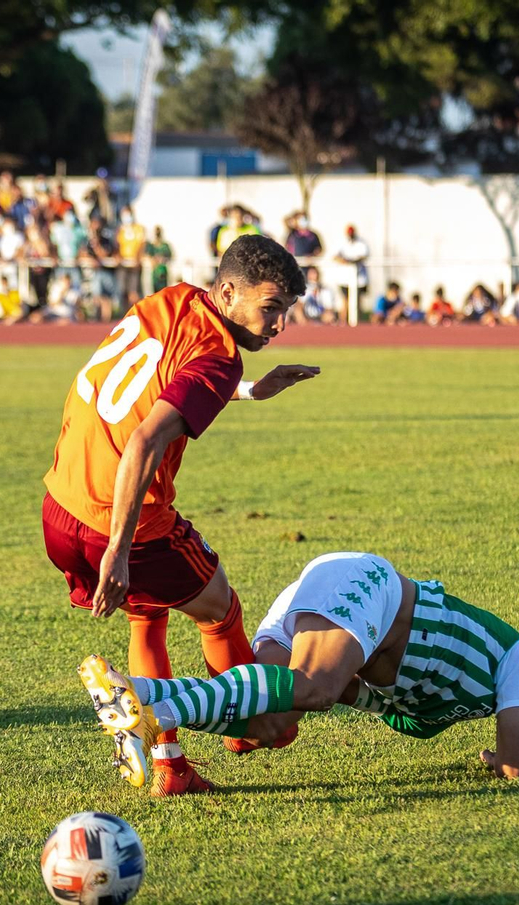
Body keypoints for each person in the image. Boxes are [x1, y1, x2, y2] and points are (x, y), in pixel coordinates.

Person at [41, 235, 321, 796]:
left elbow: (153, 385)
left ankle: (170, 767)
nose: (279, 325)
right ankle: (243, 722)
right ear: (228, 292)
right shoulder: (219, 355)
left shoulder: (172, 300)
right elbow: (145, 440)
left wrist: (246, 391)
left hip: (60, 505)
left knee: (148, 616)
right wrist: (118, 550)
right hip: (122, 522)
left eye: (286, 312)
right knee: (220, 612)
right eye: (271, 308)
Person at [77, 551, 519, 788]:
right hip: (368, 585)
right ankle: (146, 695)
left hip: (337, 605)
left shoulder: (433, 716)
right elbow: (516, 765)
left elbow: (355, 692)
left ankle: (140, 708)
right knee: (314, 687)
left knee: (273, 725)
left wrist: (496, 754)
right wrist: (504, 757)